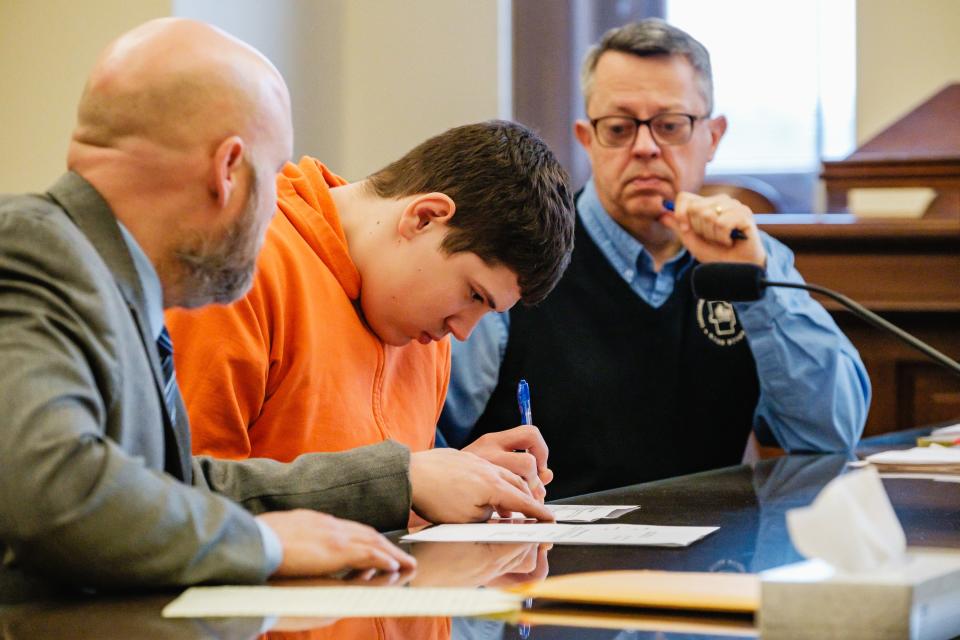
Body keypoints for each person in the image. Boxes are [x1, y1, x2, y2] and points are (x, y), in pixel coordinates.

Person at [0, 18, 551, 602]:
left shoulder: (106, 274)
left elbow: (177, 488)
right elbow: (52, 490)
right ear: (229, 171)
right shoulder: (36, 251)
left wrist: (407, 479)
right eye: (271, 180)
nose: (275, 215)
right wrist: (270, 545)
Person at [440, 19, 872, 499]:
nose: (645, 148)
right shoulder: (521, 256)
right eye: (620, 128)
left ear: (713, 136)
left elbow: (830, 437)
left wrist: (757, 288)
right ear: (587, 139)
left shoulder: (754, 261)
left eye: (670, 126)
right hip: (544, 559)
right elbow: (427, 444)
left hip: (713, 560)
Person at [165, 120, 574, 503]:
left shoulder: (425, 333)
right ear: (425, 217)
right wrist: (403, 484)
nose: (463, 331)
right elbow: (183, 502)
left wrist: (463, 477)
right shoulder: (239, 266)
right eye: (473, 294)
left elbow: (394, 503)